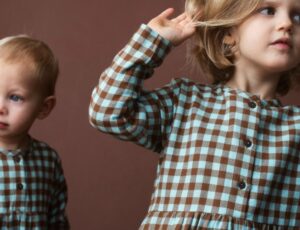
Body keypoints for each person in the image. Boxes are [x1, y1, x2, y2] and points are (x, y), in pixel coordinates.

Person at [89, 0, 300, 228]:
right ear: (229, 32)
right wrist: (153, 42)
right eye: (268, 10)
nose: (287, 23)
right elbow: (107, 111)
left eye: (298, 16)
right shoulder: (185, 101)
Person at [0, 35, 69, 229]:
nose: (1, 107)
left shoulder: (48, 160)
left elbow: (57, 221)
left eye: (15, 97)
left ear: (44, 107)